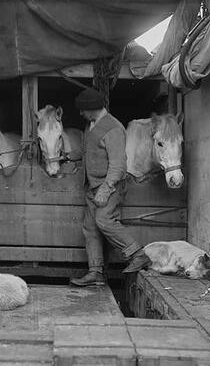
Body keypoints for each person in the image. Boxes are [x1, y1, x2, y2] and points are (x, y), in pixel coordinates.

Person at [70, 88, 151, 287]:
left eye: (82, 110)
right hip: (92, 185)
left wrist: (106, 188)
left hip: (109, 185)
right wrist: (67, 156)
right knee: (90, 227)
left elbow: (118, 164)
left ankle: (137, 254)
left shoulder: (113, 128)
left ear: (91, 109)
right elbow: (89, 151)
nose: (80, 113)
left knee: (104, 220)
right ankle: (95, 271)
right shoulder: (91, 125)